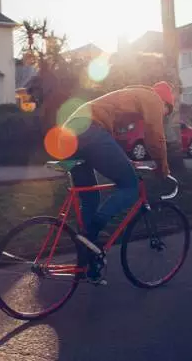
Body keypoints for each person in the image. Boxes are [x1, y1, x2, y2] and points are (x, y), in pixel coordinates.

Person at [61, 82, 175, 285]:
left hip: (70, 131)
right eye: (166, 112)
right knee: (130, 186)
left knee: (90, 197)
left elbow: (109, 140)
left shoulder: (132, 95)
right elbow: (155, 136)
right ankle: (92, 232)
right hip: (89, 129)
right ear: (166, 103)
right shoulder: (154, 99)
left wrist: (124, 160)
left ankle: (88, 261)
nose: (163, 115)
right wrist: (162, 166)